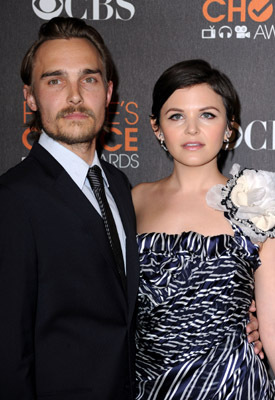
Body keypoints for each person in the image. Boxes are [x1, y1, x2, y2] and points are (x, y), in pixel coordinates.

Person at [0, 17, 139, 400]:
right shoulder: (11, 200)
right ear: (30, 96)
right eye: (55, 80)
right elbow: (9, 353)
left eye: (89, 79)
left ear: (109, 92)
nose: (75, 96)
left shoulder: (118, 186)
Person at [132, 59, 275, 399]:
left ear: (229, 127)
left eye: (207, 115)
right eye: (176, 116)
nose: (192, 129)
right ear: (157, 127)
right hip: (150, 386)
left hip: (235, 384)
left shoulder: (256, 203)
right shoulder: (132, 201)